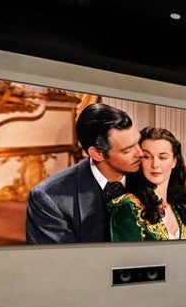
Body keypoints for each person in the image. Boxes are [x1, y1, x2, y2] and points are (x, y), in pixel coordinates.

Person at [25, 103, 142, 243]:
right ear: (97, 153)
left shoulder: (152, 176)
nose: (140, 153)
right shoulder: (49, 198)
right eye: (128, 150)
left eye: (139, 142)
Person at [108, 127, 186, 241]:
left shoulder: (178, 207)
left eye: (162, 157)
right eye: (147, 157)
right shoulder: (126, 207)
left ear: (174, 161)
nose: (155, 164)